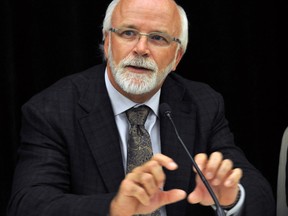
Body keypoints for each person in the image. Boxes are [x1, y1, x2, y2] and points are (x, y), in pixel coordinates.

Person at [8, 0, 275, 215]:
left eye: (158, 38)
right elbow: (28, 203)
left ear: (177, 57)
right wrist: (114, 209)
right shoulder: (52, 109)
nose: (141, 49)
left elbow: (260, 195)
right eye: (128, 33)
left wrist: (231, 198)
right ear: (108, 42)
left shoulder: (202, 104)